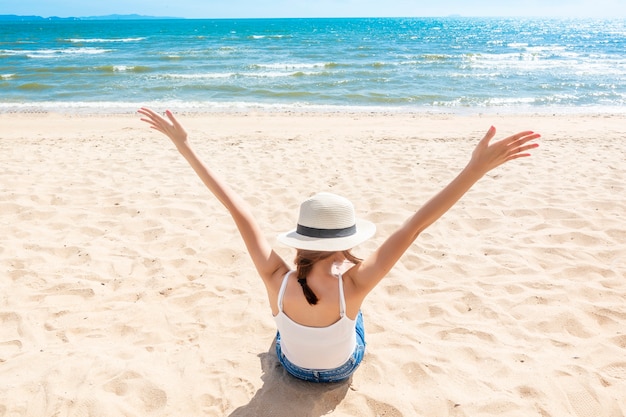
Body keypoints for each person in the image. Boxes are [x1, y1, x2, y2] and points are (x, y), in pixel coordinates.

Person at [138, 107, 540, 383]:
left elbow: (236, 209)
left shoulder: (274, 275)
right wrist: (475, 169)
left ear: (301, 239)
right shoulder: (354, 285)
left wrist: (184, 145)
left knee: (282, 331)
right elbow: (415, 225)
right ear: (347, 244)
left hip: (292, 368)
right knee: (357, 318)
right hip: (340, 370)